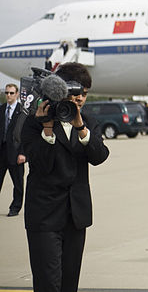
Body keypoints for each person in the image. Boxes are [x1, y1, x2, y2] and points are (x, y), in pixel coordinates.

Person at [21, 62, 110, 292]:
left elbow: (99, 156)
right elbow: (40, 165)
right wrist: (47, 129)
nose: (79, 98)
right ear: (61, 90)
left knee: (70, 284)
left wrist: (80, 128)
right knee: (48, 284)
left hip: (75, 216)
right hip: (44, 217)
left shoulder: (88, 122)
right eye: (75, 92)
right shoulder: (35, 120)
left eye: (84, 94)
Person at [1, 83, 25, 216]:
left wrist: (23, 153)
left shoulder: (22, 111)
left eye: (11, 93)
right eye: (7, 93)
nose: (8, 95)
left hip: (16, 152)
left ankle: (15, 207)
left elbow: (25, 134)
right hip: (2, 151)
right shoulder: (1, 109)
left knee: (17, 182)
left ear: (16, 94)